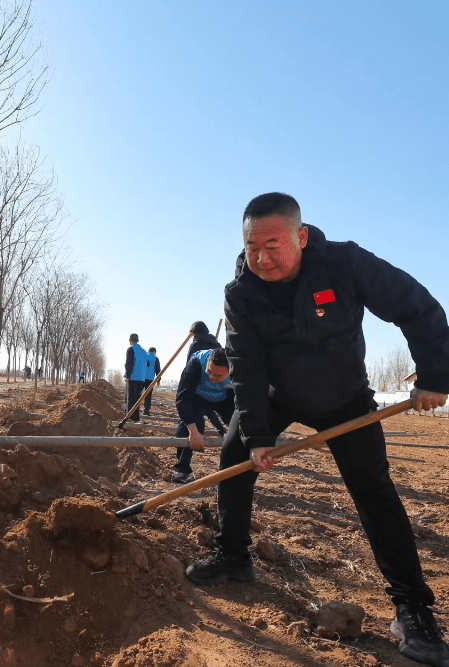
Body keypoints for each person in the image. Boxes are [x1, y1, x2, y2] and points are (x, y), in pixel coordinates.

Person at [186, 193, 449, 667]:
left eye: (273, 244)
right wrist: (260, 435)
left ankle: (412, 607)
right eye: (252, 247)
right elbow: (245, 365)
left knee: (373, 489)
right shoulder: (240, 292)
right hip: (278, 393)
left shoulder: (345, 264)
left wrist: (434, 375)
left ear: (300, 236)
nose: (262, 258)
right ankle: (232, 554)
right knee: (233, 458)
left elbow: (416, 306)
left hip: (345, 399)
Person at [171, 348, 234, 483]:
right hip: (197, 396)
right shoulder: (196, 363)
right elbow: (182, 399)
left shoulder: (239, 368)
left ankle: (235, 471)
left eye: (218, 376)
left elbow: (244, 401)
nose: (212, 377)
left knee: (238, 427)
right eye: (209, 372)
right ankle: (181, 471)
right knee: (188, 424)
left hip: (224, 398)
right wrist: (193, 431)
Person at [123, 334, 149, 422]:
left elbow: (129, 364)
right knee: (137, 399)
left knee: (130, 398)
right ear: (138, 340)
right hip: (141, 379)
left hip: (133, 377)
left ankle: (129, 418)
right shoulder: (144, 351)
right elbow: (148, 364)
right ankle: (136, 417)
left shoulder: (131, 349)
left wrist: (127, 374)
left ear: (130, 340)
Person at [143, 346, 161, 416]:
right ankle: (146, 411)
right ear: (154, 352)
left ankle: (134, 411)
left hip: (141, 378)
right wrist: (158, 380)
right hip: (150, 379)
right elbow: (158, 370)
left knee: (138, 394)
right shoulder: (156, 358)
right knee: (148, 395)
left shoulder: (144, 356)